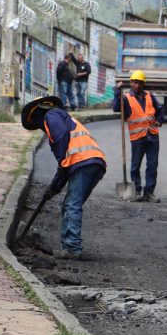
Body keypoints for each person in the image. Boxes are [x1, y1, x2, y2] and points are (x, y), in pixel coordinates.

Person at [20, 96, 106, 259]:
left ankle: (72, 248)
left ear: (37, 114)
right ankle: (69, 245)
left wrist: (61, 162)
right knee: (70, 204)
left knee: (72, 204)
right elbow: (64, 168)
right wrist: (54, 188)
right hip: (93, 162)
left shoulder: (51, 115)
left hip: (83, 162)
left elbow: (62, 143)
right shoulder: (63, 118)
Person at [113, 70, 164, 203]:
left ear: (143, 84)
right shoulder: (126, 98)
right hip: (137, 138)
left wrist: (159, 120)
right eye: (134, 82)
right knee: (135, 166)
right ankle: (136, 191)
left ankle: (149, 193)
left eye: (139, 83)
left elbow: (159, 109)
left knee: (152, 165)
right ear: (131, 83)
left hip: (152, 136)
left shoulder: (150, 96)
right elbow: (116, 108)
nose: (136, 85)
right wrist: (117, 91)